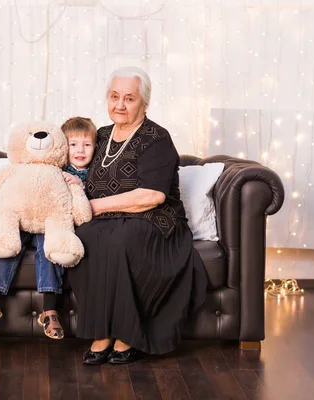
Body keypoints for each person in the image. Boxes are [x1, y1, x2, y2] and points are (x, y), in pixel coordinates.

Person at [67, 67, 209, 364]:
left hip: (154, 220)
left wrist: (92, 207)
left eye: (129, 98)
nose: (120, 105)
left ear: (144, 102)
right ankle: (101, 330)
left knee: (121, 239)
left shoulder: (156, 138)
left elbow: (152, 196)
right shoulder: (100, 135)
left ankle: (126, 333)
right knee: (84, 238)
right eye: (114, 96)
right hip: (104, 220)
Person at [0, 117, 97, 340]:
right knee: (5, 245)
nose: (80, 150)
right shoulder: (53, 166)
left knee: (48, 252)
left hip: (51, 225)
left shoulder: (94, 174)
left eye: (87, 145)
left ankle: (50, 311)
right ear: (61, 146)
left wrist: (80, 185)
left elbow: (84, 207)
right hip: (23, 220)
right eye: (73, 145)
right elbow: (11, 198)